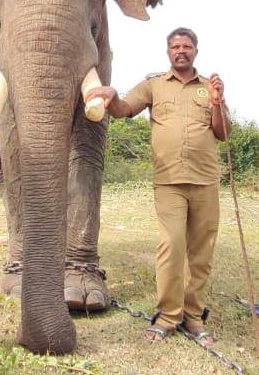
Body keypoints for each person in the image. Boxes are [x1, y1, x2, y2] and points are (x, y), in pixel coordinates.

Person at [86, 27, 228, 346]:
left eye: (187, 46)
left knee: (201, 252)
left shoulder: (209, 87)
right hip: (169, 181)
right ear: (168, 53)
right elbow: (124, 110)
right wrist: (110, 97)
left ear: (195, 51)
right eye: (176, 47)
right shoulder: (154, 85)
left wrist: (218, 102)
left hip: (205, 180)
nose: (181, 51)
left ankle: (193, 318)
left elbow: (223, 134)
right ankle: (167, 316)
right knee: (172, 245)